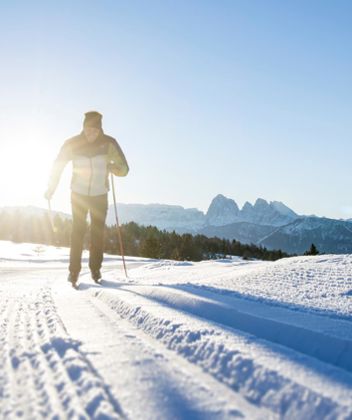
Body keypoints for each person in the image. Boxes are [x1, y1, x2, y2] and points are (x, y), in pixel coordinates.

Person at [45, 111, 129, 286]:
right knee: (78, 231)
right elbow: (58, 165)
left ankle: (95, 269)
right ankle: (74, 272)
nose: (91, 134)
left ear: (100, 130)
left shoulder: (109, 143)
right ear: (83, 128)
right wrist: (51, 188)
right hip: (78, 194)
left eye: (95, 130)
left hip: (100, 194)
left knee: (97, 233)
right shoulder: (72, 144)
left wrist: (113, 167)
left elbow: (125, 168)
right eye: (88, 129)